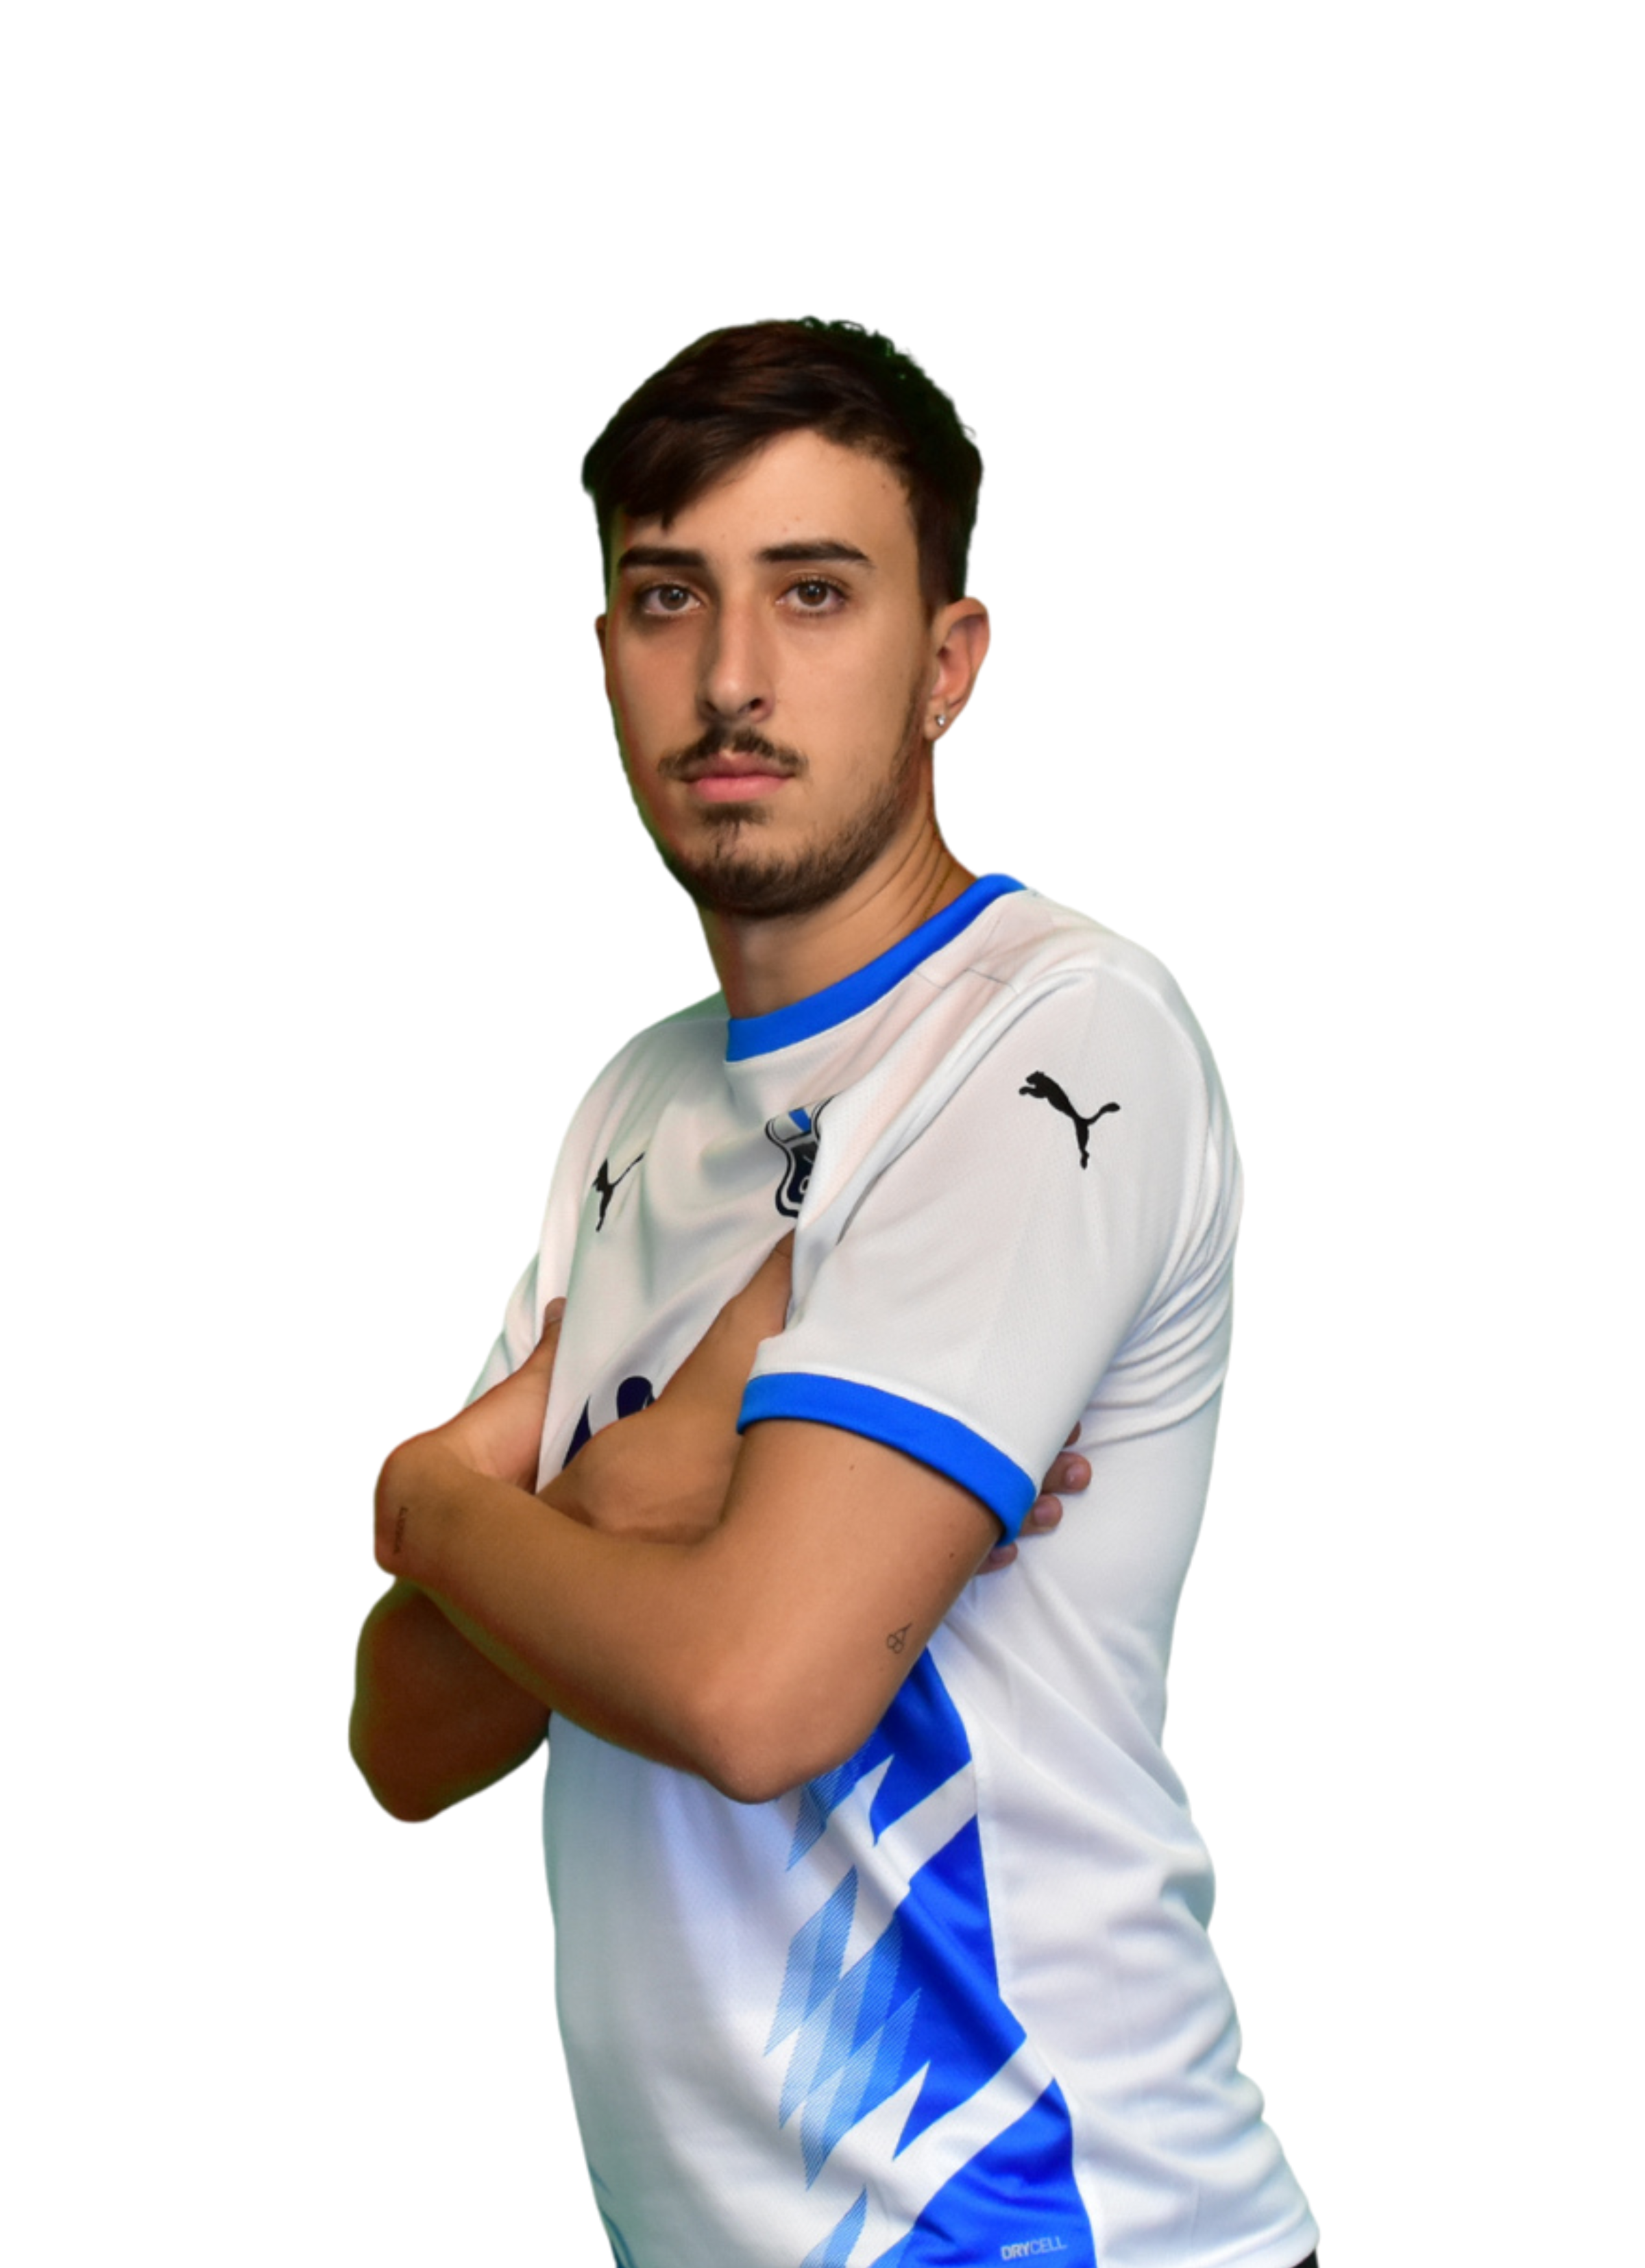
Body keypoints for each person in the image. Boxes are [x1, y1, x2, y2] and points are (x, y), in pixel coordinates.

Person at [350, 318, 1320, 2268]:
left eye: (814, 592)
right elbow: (407, 1733)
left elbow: (759, 1689)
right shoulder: (637, 1108)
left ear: (947, 661)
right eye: (668, 597)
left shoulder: (1050, 1039)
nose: (732, 675)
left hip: (1053, 2230)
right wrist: (624, 1503)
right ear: (606, 652)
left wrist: (439, 1508)